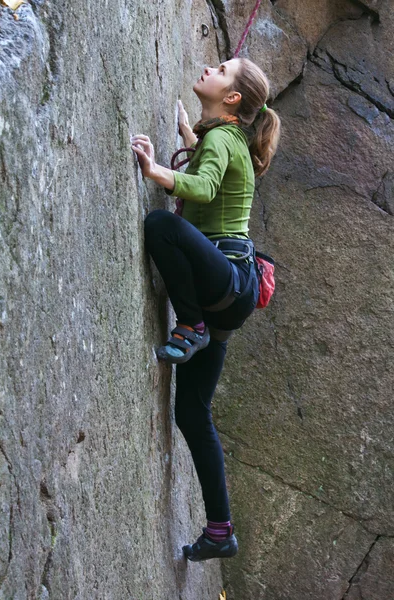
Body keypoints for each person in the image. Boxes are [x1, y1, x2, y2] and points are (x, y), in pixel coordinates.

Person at [131, 57, 281, 561]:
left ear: (233, 97)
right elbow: (213, 168)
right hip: (230, 295)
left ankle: (189, 324)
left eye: (220, 68)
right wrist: (189, 139)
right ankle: (221, 531)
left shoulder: (223, 139)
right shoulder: (226, 139)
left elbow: (203, 188)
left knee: (160, 226)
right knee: (192, 412)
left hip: (226, 282)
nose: (208, 68)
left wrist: (155, 170)